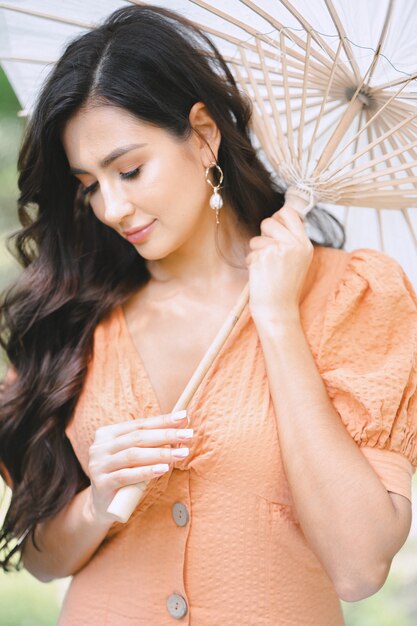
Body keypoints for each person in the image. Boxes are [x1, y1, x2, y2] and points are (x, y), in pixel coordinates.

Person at [0, 5, 416, 625]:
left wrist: (277, 320)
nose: (111, 207)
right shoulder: (80, 314)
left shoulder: (352, 295)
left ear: (202, 135)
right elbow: (43, 560)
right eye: (88, 184)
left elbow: (358, 567)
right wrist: (99, 503)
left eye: (130, 169)